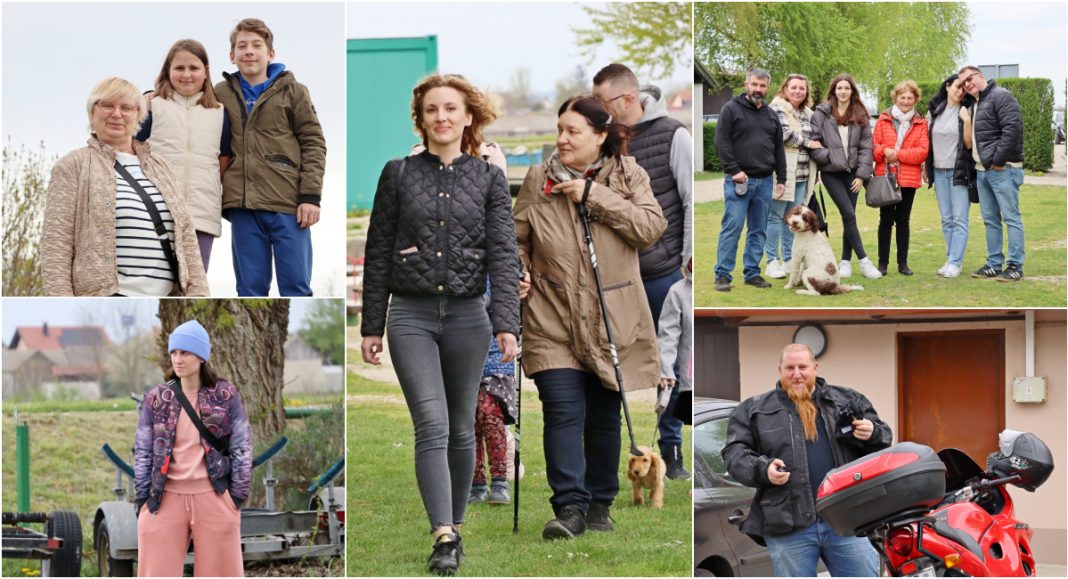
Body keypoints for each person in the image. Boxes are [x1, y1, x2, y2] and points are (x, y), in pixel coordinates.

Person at [360, 73, 520, 575]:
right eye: (432, 110)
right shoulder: (398, 174)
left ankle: (455, 524)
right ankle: (443, 534)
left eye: (451, 109)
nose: (442, 117)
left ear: (468, 116)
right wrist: (371, 325)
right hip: (411, 316)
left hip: (470, 318)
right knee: (430, 423)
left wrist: (506, 323)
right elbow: (377, 251)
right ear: (421, 119)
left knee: (459, 427)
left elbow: (503, 254)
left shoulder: (489, 178)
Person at [514, 94, 665, 540]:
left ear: (600, 136)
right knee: (561, 410)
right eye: (559, 129)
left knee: (602, 418)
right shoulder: (537, 178)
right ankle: (569, 509)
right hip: (551, 315)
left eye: (572, 131)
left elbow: (651, 228)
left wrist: (593, 196)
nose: (561, 139)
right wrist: (519, 269)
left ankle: (600, 503)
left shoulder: (628, 174)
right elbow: (516, 237)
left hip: (610, 318)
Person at [592, 63, 692, 479]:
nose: (597, 111)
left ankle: (670, 452)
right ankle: (610, 457)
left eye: (603, 103)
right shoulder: (602, 140)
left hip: (662, 273)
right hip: (614, 280)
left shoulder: (674, 135)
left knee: (665, 364)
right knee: (608, 363)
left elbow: (688, 201)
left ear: (628, 99)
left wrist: (689, 259)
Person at [722, 343, 891, 577]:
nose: (797, 373)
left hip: (847, 519)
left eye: (803, 367)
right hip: (788, 524)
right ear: (779, 369)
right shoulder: (753, 410)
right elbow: (734, 455)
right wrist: (763, 470)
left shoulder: (847, 400)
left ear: (815, 367)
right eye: (790, 368)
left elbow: (883, 439)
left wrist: (873, 432)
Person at [41, 77, 209, 297]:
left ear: (138, 115)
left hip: (166, 299)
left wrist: (199, 295)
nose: (117, 114)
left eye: (127, 107)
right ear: (92, 113)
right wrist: (63, 304)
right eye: (108, 105)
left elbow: (187, 239)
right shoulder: (73, 166)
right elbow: (56, 247)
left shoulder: (162, 167)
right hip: (105, 299)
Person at [216, 18, 326, 296]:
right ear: (232, 55)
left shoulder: (294, 91)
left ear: (271, 53)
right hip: (242, 205)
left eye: (257, 45)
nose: (249, 51)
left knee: (296, 286)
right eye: (242, 46)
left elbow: (313, 142)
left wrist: (310, 196)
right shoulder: (219, 93)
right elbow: (185, 98)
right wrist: (150, 94)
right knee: (249, 289)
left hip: (288, 204)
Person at [134, 320, 252, 577]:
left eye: (185, 352)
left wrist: (236, 498)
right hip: (164, 500)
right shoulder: (156, 398)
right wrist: (143, 502)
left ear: (201, 357)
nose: (178, 359)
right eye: (174, 352)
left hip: (214, 497)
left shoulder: (225, 395)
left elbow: (242, 447)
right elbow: (143, 452)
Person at [136, 39, 232, 271]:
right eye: (179, 68)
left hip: (201, 215)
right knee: (156, 280)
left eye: (194, 68)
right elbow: (134, 149)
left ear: (206, 72)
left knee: (193, 284)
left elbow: (223, 160)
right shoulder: (153, 107)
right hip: (157, 212)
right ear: (168, 71)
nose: (186, 74)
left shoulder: (219, 113)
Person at [713, 68, 786, 292]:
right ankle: (723, 275)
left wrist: (781, 178)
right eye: (754, 84)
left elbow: (778, 149)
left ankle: (752, 273)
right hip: (739, 181)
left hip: (764, 182)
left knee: (758, 230)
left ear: (767, 88)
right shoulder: (730, 109)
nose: (758, 89)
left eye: (763, 86)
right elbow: (721, 141)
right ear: (746, 84)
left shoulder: (771, 115)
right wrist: (733, 169)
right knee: (732, 227)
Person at [809, 74, 882, 280]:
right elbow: (814, 145)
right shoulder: (821, 114)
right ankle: (865, 262)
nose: (843, 92)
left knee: (848, 216)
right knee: (849, 214)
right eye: (839, 88)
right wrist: (831, 156)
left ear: (852, 91)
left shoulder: (860, 114)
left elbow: (867, 147)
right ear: (834, 91)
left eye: (846, 88)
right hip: (831, 173)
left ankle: (845, 261)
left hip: (853, 175)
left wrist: (861, 175)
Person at [958, 65, 1026, 282]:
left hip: (1002, 169)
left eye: (970, 79)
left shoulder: (1001, 96)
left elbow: (1012, 130)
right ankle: (994, 264)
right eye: (963, 82)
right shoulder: (974, 104)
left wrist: (998, 161)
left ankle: (1015, 266)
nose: (967, 84)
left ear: (980, 76)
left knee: (1011, 218)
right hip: (982, 171)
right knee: (990, 220)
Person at [872, 80, 929, 276]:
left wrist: (898, 154)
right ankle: (882, 263)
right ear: (895, 97)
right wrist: (884, 150)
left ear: (915, 99)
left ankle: (903, 263)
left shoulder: (920, 122)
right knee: (885, 220)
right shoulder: (883, 119)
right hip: (886, 176)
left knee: (903, 220)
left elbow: (922, 151)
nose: (906, 101)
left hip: (908, 179)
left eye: (910, 98)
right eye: (902, 97)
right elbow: (874, 148)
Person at [766, 74, 820, 280]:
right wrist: (809, 143)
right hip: (784, 172)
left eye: (802, 88)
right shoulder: (777, 108)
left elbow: (817, 137)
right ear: (785, 89)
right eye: (794, 87)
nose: (798, 91)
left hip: (804, 174)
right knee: (775, 216)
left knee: (793, 219)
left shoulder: (807, 112)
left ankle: (789, 258)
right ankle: (772, 260)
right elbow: (783, 134)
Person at [469, 284, 518, 506]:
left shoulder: (499, 267)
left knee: (491, 417)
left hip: (497, 359)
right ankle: (476, 483)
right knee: (469, 422)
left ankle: (499, 481)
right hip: (464, 353)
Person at [924, 74, 976, 278]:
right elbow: (928, 141)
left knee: (960, 218)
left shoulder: (966, 111)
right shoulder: (935, 111)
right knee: (946, 219)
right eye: (957, 87)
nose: (960, 91)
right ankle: (951, 259)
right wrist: (925, 167)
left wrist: (967, 121)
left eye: (963, 89)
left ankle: (955, 262)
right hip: (938, 170)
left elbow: (969, 144)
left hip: (959, 171)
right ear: (947, 86)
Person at [656, 257, 691, 441]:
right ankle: (672, 450)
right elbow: (668, 335)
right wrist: (666, 369)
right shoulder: (678, 291)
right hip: (689, 382)